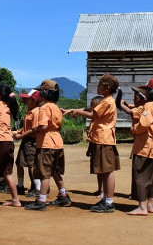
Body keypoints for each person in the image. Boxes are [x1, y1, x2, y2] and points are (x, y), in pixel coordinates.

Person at [65, 73, 121, 213]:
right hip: (101, 139)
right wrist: (73, 110)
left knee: (107, 171)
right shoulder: (105, 101)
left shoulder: (107, 101)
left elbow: (92, 115)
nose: (97, 87)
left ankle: (109, 202)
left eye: (100, 85)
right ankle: (106, 200)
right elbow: (91, 111)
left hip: (104, 139)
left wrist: (76, 111)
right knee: (104, 170)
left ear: (107, 88)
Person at [25, 79, 70, 211]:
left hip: (46, 143)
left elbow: (43, 126)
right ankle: (63, 195)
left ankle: (41, 200)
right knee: (55, 171)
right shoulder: (56, 107)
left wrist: (34, 131)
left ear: (45, 93)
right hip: (57, 142)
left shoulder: (44, 108)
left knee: (44, 173)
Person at [126, 78, 153, 216]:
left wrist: (134, 129)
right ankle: (150, 204)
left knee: (141, 176)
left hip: (145, 146)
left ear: (151, 92)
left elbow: (144, 123)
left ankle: (142, 207)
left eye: (148, 90)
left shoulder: (149, 106)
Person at [14, 89, 41, 197]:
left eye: (28, 99)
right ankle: (20, 186)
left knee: (31, 165)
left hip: (31, 141)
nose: (26, 101)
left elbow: (34, 129)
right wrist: (18, 131)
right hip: (26, 140)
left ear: (34, 101)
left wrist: (21, 135)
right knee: (19, 163)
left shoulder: (36, 112)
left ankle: (38, 189)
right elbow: (27, 127)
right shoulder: (30, 111)